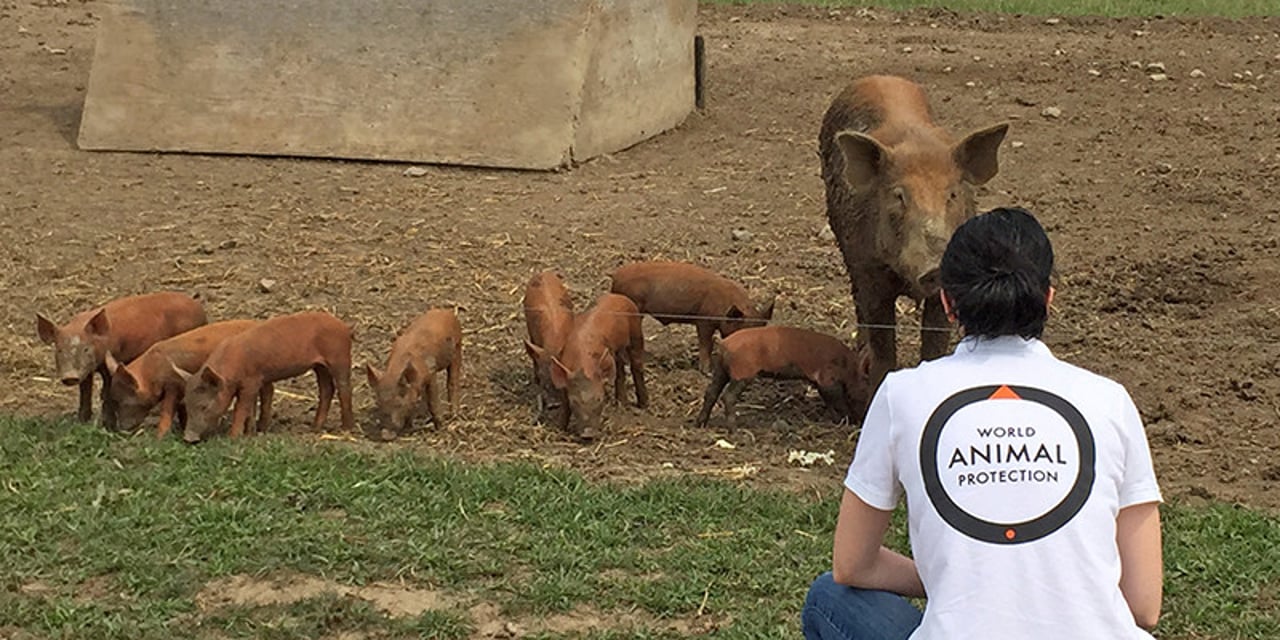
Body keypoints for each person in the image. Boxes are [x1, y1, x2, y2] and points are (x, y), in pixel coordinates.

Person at [802, 207, 1163, 640]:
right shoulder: (1110, 400)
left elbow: (852, 565)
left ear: (948, 303)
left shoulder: (902, 394)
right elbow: (1143, 607)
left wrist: (964, 580)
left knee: (830, 595)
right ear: (1048, 298)